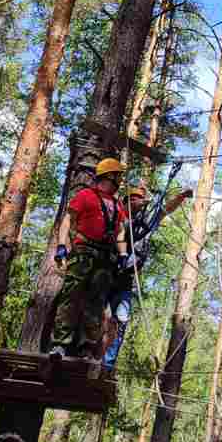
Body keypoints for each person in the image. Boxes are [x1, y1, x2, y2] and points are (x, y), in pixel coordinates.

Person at [102, 179, 193, 370]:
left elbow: (164, 210)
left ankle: (107, 365)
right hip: (107, 277)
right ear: (126, 202)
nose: (138, 202)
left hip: (127, 283)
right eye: (133, 199)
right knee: (101, 319)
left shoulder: (147, 224)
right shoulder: (117, 218)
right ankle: (93, 357)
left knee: (121, 320)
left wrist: (181, 196)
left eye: (140, 199)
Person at [49, 156, 129, 361]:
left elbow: (120, 231)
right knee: (71, 295)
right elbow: (68, 220)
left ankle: (86, 346)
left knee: (96, 301)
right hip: (83, 250)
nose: (121, 179)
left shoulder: (118, 205)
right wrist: (61, 246)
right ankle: (60, 344)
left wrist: (122, 254)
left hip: (105, 256)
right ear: (109, 175)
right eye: (118, 175)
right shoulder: (85, 195)